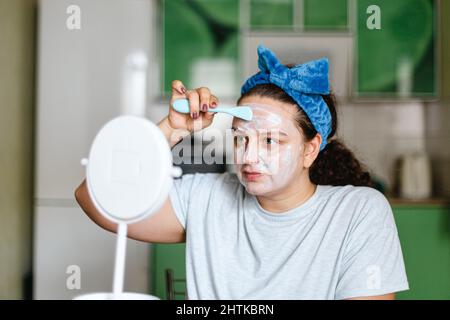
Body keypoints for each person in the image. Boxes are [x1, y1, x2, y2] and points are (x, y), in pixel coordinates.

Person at [75, 45, 409, 300]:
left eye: (271, 141)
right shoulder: (203, 196)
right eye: (240, 138)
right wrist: (172, 130)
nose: (248, 155)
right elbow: (94, 198)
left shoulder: (359, 211)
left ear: (310, 149)